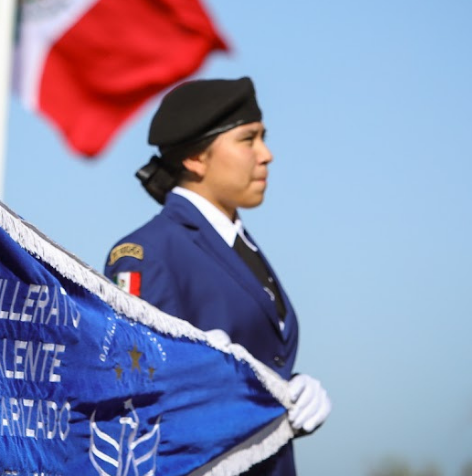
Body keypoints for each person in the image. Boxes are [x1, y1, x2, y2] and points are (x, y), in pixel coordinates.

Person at [105, 77, 331, 476]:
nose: (266, 155)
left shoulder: (238, 245)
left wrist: (288, 392)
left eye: (263, 137)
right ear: (195, 158)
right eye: (248, 139)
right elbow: (137, 396)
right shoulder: (148, 253)